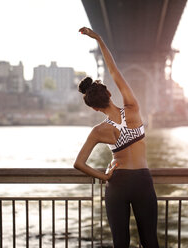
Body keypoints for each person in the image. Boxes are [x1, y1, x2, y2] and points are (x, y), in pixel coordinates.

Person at [74, 27, 159, 248]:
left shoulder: (99, 131)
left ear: (93, 108)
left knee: (120, 244)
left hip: (117, 184)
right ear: (110, 94)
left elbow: (79, 163)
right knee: (150, 242)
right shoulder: (133, 109)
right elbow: (114, 71)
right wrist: (99, 39)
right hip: (142, 181)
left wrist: (104, 177)